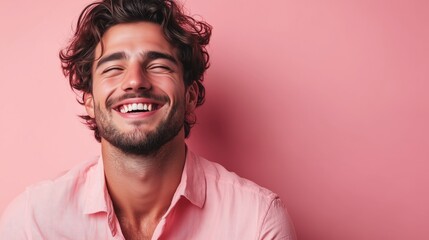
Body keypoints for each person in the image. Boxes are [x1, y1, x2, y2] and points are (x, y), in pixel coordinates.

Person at [0, 0, 296, 239]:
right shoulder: (32, 223)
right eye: (114, 68)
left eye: (157, 65)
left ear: (191, 96)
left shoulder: (257, 221)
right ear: (89, 101)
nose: (135, 81)